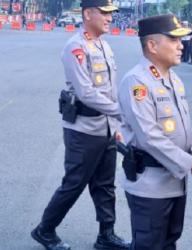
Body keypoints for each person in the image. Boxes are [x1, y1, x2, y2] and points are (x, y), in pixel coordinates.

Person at [31, 1, 129, 250]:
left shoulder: (104, 45)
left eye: (110, 14)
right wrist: (124, 112)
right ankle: (45, 230)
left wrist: (116, 124)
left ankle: (106, 234)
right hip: (83, 130)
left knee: (105, 184)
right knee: (74, 183)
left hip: (105, 127)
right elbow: (85, 92)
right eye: (104, 13)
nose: (109, 18)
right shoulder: (76, 47)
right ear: (87, 14)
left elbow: (110, 90)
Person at [117, 14, 192, 250]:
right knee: (150, 245)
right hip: (150, 185)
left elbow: (185, 126)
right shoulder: (137, 82)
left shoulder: (174, 79)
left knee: (169, 242)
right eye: (173, 40)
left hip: (175, 182)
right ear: (152, 45)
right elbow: (149, 137)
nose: (181, 45)